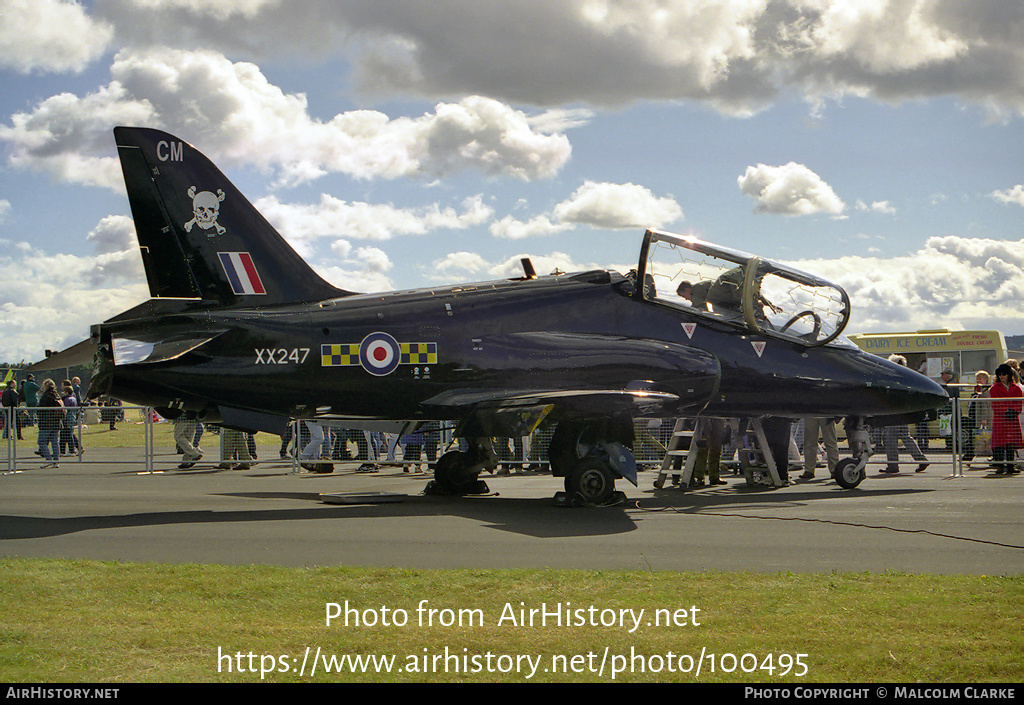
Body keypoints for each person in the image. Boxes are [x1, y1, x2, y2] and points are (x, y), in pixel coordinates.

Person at [881, 355, 929, 474]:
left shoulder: (893, 378)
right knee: (905, 436)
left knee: (890, 437)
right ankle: (920, 459)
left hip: (894, 411)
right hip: (903, 411)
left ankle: (893, 465)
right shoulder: (907, 376)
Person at [989, 363, 1023, 475]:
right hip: (1000, 418)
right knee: (999, 443)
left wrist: (1014, 411)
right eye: (999, 374)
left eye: (1004, 374)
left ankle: (1010, 465)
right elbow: (995, 403)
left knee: (1011, 443)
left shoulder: (1016, 388)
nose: (1001, 376)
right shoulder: (994, 388)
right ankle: (999, 465)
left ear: (1009, 375)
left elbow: (1019, 402)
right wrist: (1006, 410)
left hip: (1012, 418)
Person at [36, 378, 63, 468]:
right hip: (56, 422)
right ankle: (56, 461)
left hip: (46, 423)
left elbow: (41, 410)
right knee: (55, 442)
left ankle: (48, 459)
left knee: (41, 441)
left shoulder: (45, 397)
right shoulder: (57, 395)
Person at [59, 380, 82, 456]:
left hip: (67, 418)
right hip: (72, 417)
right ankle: (63, 451)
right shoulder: (73, 398)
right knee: (67, 434)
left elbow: (66, 409)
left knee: (68, 435)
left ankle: (71, 450)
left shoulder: (67, 400)